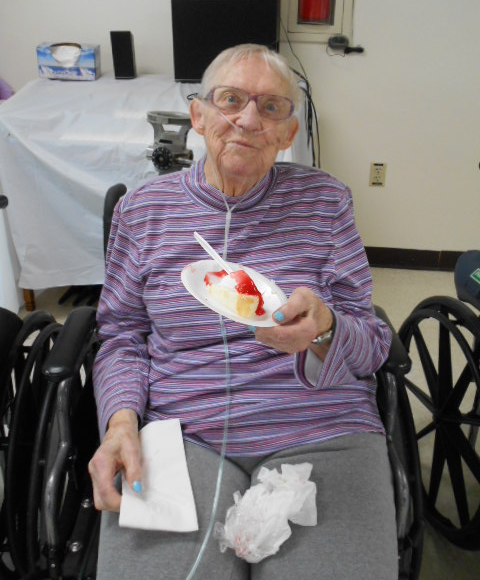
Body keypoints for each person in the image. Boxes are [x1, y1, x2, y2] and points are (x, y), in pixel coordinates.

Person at [88, 43, 398, 579]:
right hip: (185, 431)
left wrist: (325, 329)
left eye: (271, 107)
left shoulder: (327, 202)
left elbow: (371, 344)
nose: (249, 120)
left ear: (288, 133)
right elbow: (121, 335)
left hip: (322, 424)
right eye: (230, 99)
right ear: (198, 115)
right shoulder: (142, 213)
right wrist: (120, 422)